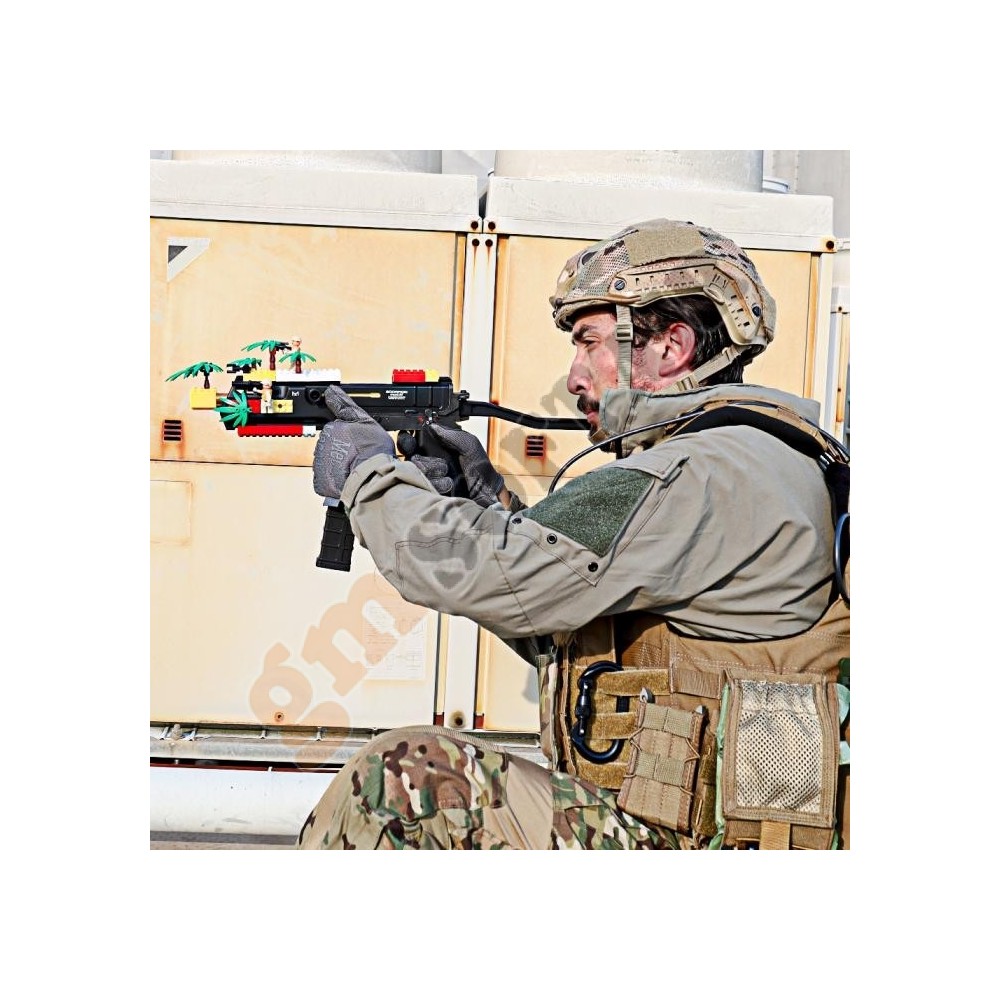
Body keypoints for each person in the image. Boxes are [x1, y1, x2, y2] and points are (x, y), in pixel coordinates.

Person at [297, 218, 850, 851]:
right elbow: (571, 622)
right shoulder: (757, 455)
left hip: (685, 845)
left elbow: (487, 573)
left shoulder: (700, 471)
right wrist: (483, 501)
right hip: (718, 833)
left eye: (590, 343)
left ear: (671, 346)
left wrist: (369, 477)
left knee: (404, 780)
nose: (574, 377)